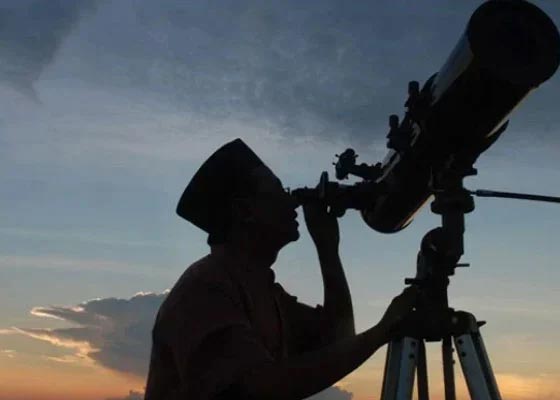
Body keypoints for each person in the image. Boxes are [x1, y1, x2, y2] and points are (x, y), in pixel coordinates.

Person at [144, 139, 417, 400]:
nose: (293, 201)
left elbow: (339, 340)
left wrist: (328, 249)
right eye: (279, 190)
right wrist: (382, 332)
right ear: (244, 211)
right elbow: (261, 386)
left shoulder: (265, 292)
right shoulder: (204, 288)